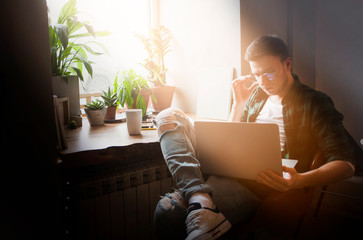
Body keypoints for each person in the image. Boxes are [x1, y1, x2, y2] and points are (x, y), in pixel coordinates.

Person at [153, 35, 361, 240]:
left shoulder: (315, 102)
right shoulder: (256, 95)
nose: (263, 82)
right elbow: (229, 141)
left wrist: (299, 181)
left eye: (269, 73)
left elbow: (345, 164)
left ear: (287, 64)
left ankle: (200, 200)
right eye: (257, 74)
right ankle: (200, 197)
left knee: (168, 213)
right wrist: (238, 104)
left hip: (259, 184)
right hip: (228, 168)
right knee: (168, 116)